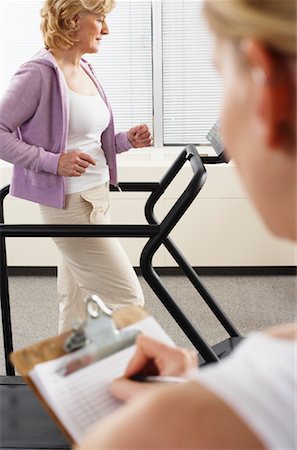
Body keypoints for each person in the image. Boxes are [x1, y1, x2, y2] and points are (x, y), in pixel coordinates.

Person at [75, 0, 297, 449]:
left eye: (221, 76)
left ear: (270, 93)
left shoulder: (159, 431)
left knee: (101, 294)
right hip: (67, 198)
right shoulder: (42, 71)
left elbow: (94, 140)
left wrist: (180, 410)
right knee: (88, 293)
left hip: (94, 193)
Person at [0, 0, 152, 332]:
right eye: (100, 19)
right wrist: (53, 163)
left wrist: (126, 140)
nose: (106, 29)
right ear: (72, 20)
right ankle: (117, 377)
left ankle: (71, 378)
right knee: (127, 299)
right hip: (70, 205)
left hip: (96, 198)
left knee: (77, 307)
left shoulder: (84, 68)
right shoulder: (38, 73)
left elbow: (86, 144)